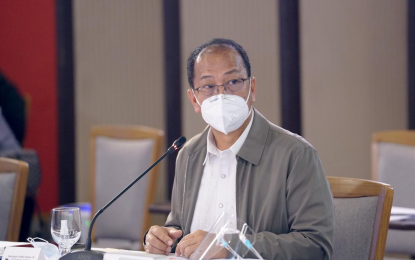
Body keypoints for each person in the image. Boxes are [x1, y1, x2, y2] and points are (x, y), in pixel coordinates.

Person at [144, 38, 334, 260]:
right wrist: (162, 240)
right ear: (194, 99)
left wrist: (232, 247)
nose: (222, 94)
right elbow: (180, 229)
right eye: (208, 86)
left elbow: (316, 247)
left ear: (251, 88)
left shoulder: (295, 154)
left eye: (233, 81)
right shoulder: (188, 154)